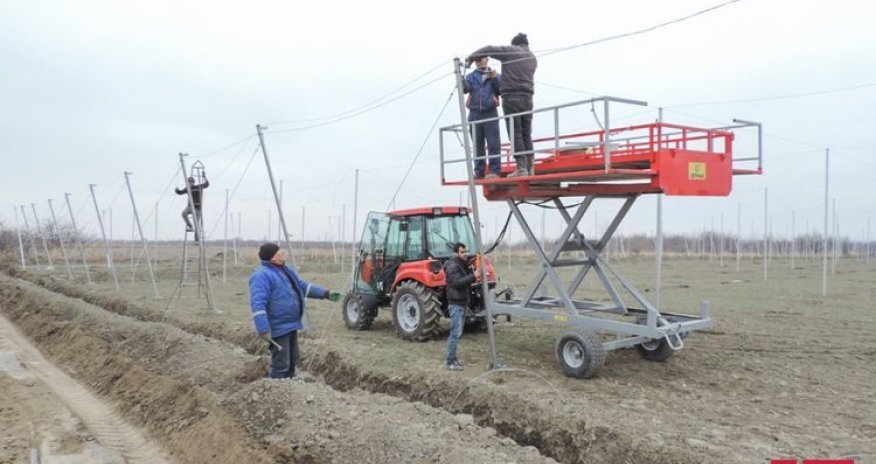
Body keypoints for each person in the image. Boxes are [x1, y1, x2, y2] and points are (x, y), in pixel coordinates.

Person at [249, 243, 341, 379]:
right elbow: (258, 304)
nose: (283, 254)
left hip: (291, 324)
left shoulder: (286, 271)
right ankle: (276, 390)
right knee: (281, 364)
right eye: (280, 253)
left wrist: (326, 293)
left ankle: (289, 389)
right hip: (278, 326)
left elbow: (302, 287)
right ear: (272, 258)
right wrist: (262, 328)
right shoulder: (262, 276)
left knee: (293, 360)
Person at [467, 33, 538, 177]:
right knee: (526, 133)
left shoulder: (511, 51)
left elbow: (489, 48)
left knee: (515, 132)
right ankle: (530, 168)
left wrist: (470, 57)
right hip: (528, 98)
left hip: (512, 97)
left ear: (514, 44)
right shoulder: (532, 58)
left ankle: (521, 168)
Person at [464, 56, 502, 179]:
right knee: (477, 144)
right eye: (479, 59)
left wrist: (495, 77)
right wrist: (461, 79)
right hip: (474, 113)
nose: (481, 61)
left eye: (483, 59)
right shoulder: (471, 76)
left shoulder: (494, 75)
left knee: (493, 144)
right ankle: (479, 171)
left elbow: (501, 89)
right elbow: (465, 89)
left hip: (490, 112)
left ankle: (494, 171)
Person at [443, 242, 477, 371]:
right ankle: (450, 361)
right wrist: (474, 276)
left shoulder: (461, 264)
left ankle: (454, 358)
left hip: (462, 302)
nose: (465, 254)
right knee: (455, 333)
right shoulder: (452, 266)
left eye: (466, 251)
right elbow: (457, 283)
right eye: (462, 252)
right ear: (455, 253)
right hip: (456, 304)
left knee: (458, 332)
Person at [175, 175, 210, 240]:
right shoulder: (187, 189)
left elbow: (207, 184)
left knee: (196, 224)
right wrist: (177, 190)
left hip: (198, 208)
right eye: (189, 182)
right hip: (191, 207)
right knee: (183, 213)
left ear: (193, 182)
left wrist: (204, 177)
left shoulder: (198, 186)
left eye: (191, 182)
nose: (190, 183)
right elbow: (180, 192)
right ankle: (190, 226)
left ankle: (197, 239)